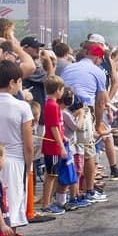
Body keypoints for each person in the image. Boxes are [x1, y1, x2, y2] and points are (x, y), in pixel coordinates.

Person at [0, 60, 34, 229]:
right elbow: (28, 144)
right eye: (19, 81)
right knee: (12, 211)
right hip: (15, 161)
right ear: (12, 83)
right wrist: (29, 166)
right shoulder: (22, 106)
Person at [62, 45, 118, 181]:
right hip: (84, 110)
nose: (101, 62)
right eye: (101, 59)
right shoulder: (97, 71)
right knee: (87, 152)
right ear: (98, 58)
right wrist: (98, 124)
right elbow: (100, 102)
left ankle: (68, 189)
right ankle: (88, 188)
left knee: (70, 151)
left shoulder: (69, 67)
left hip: (64, 109)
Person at [39, 75, 68, 215]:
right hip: (53, 146)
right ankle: (46, 203)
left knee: (52, 175)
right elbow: (54, 127)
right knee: (51, 175)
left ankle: (48, 202)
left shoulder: (51, 105)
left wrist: (63, 137)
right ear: (58, 90)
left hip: (53, 143)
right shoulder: (53, 106)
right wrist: (61, 145)